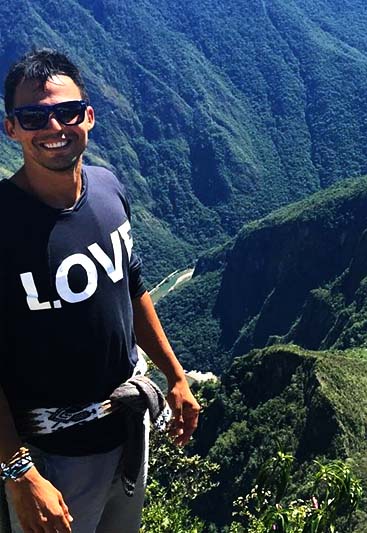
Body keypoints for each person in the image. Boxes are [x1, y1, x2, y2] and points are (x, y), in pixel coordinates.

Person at [0, 49, 200, 533]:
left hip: (129, 433)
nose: (54, 127)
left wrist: (175, 375)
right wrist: (18, 472)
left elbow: (130, 287)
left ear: (88, 116)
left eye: (67, 112)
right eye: (33, 117)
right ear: (12, 128)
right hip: (53, 458)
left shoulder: (108, 189)